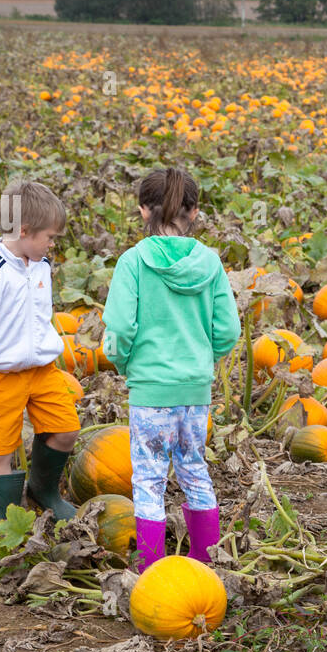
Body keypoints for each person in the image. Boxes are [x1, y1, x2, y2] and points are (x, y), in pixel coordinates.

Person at [102, 167, 241, 572]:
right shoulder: (210, 263)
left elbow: (121, 329)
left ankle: (151, 570)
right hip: (194, 390)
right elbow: (228, 329)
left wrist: (126, 363)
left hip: (150, 390)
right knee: (195, 469)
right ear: (193, 212)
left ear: (144, 210)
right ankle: (205, 562)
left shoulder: (133, 262)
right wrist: (202, 361)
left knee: (149, 480)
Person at [0, 180, 81, 526]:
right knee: (0, 452)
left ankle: (44, 491)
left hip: (43, 371)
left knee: (67, 428)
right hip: (0, 376)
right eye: (50, 238)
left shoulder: (40, 266)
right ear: (24, 231)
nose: (53, 245)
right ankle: (4, 525)